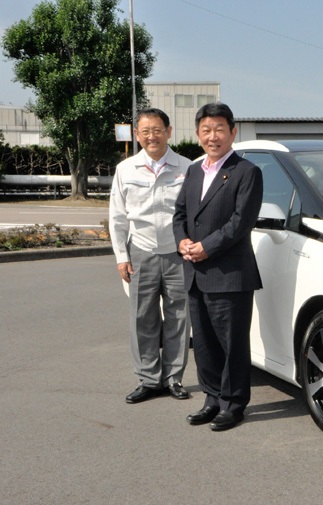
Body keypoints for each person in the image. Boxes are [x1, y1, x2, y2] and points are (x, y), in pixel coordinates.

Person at [173, 102, 263, 431]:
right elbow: (180, 213)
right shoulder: (196, 170)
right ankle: (212, 399)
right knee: (205, 344)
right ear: (198, 135)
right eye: (207, 130)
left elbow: (241, 223)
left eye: (220, 130)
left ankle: (234, 403)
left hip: (230, 275)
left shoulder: (247, 172)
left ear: (232, 132)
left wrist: (205, 248)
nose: (214, 137)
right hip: (196, 274)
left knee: (232, 344)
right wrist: (182, 240)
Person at [109, 108, 192, 404]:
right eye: (145, 131)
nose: (151, 136)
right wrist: (121, 255)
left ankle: (173, 378)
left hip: (177, 252)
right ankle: (148, 379)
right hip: (141, 250)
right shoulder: (126, 169)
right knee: (142, 317)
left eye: (157, 130)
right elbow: (117, 218)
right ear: (137, 135)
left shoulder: (186, 167)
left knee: (178, 317)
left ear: (169, 131)